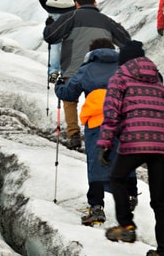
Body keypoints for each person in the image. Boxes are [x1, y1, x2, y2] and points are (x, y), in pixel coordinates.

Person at [98, 40, 164, 256]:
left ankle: (126, 226)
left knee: (117, 178)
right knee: (159, 200)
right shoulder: (159, 82)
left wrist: (105, 144)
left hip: (136, 138)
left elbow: (111, 113)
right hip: (163, 143)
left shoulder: (120, 77)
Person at [55, 38, 135, 226]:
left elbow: (69, 93)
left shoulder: (87, 68)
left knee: (96, 163)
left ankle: (96, 208)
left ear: (92, 51)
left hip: (97, 122)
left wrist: (59, 85)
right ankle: (130, 195)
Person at [46, 0, 129, 147]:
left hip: (73, 66)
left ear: (76, 4)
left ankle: (74, 134)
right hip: (102, 68)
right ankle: (103, 131)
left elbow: (51, 36)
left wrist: (50, 24)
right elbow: (126, 40)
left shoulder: (70, 17)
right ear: (95, 2)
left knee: (70, 99)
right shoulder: (106, 20)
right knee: (99, 98)